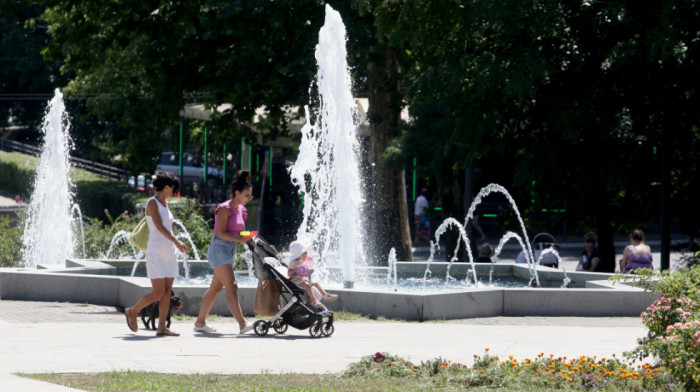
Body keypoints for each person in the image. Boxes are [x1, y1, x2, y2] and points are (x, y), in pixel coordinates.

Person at [125, 171, 189, 336]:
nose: (175, 192)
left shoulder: (165, 203)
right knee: (159, 292)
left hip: (168, 252)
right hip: (156, 253)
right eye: (174, 189)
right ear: (167, 187)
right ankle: (133, 311)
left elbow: (166, 227)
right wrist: (177, 241)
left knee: (167, 292)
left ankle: (161, 327)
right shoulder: (152, 203)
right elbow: (160, 228)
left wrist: (174, 244)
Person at [192, 170, 255, 334]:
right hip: (219, 249)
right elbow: (221, 232)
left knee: (215, 288)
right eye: (246, 195)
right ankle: (242, 324)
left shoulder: (242, 210)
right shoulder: (224, 208)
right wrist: (240, 239)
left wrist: (247, 237)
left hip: (230, 250)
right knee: (232, 286)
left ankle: (200, 323)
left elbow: (239, 231)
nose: (248, 199)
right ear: (237, 193)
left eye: (250, 196)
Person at [286, 240, 338, 308]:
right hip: (295, 281)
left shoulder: (300, 261)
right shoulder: (293, 262)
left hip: (301, 280)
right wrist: (295, 270)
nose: (306, 254)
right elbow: (289, 274)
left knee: (315, 283)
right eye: (305, 253)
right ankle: (314, 301)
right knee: (307, 285)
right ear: (299, 254)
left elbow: (303, 271)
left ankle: (326, 295)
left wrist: (307, 267)